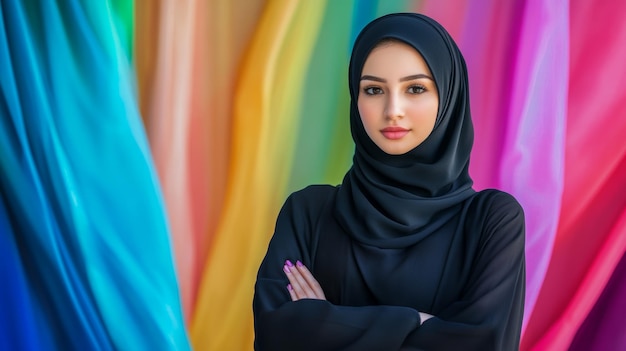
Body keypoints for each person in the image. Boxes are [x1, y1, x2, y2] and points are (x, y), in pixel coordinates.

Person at [253, 12, 525, 351]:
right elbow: (275, 336)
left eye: (415, 88)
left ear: (449, 97)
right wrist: (417, 323)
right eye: (373, 89)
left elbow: (483, 344)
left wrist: (325, 321)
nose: (392, 109)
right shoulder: (308, 212)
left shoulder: (491, 220)